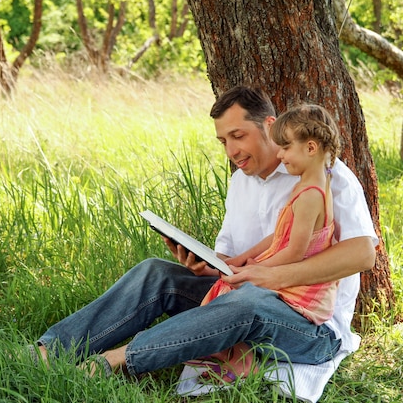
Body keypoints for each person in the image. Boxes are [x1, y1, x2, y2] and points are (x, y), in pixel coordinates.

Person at [33, 86, 377, 395]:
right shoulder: (241, 182)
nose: (231, 150)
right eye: (223, 141)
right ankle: (49, 352)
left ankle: (115, 361)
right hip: (243, 294)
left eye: (238, 136)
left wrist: (268, 277)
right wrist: (204, 264)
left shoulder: (328, 176)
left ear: (269, 126)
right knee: (157, 272)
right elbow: (229, 260)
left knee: (248, 302)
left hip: (308, 325)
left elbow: (363, 255)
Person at [193, 103, 343, 383]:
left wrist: (254, 271)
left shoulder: (312, 194)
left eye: (286, 147)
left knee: (230, 291)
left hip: (301, 288)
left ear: (311, 148)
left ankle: (240, 361)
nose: (280, 154)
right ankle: (229, 352)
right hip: (283, 267)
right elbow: (279, 234)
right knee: (227, 284)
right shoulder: (303, 185)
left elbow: (296, 252)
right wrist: (243, 260)